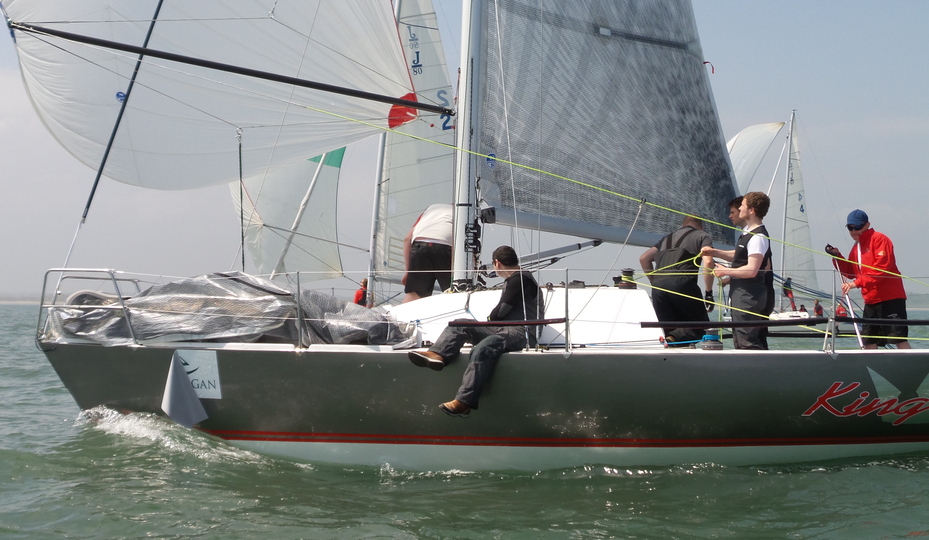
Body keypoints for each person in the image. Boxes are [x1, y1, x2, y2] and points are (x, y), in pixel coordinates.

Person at [408, 246, 542, 418]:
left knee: (484, 346)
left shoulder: (520, 279)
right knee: (460, 324)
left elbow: (500, 312)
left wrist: (488, 322)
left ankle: (464, 402)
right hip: (505, 329)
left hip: (522, 332)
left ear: (497, 263)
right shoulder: (517, 279)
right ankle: (438, 354)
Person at [825, 209, 910, 349]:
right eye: (850, 228)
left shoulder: (880, 239)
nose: (854, 231)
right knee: (869, 341)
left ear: (867, 225)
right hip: (871, 301)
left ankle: (910, 362)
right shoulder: (856, 248)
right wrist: (837, 256)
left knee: (898, 338)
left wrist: (856, 284)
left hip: (891, 299)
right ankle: (873, 362)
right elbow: (850, 272)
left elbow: (881, 269)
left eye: (857, 227)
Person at [702, 191, 773, 349]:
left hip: (749, 296)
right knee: (742, 341)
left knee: (747, 343)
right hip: (743, 294)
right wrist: (714, 252)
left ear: (751, 210)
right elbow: (740, 255)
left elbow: (752, 270)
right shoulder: (749, 234)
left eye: (743, 205)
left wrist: (726, 272)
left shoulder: (758, 237)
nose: (740, 208)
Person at [639, 215, 715, 346]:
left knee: (669, 329)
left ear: (682, 226)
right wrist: (708, 294)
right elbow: (708, 262)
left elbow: (644, 259)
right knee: (701, 328)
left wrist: (655, 282)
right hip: (682, 283)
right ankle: (672, 340)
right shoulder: (702, 236)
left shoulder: (666, 238)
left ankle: (670, 343)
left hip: (658, 286)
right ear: (701, 228)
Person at [402, 203, 453, 303]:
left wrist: (408, 271)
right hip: (445, 247)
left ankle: (402, 314)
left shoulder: (430, 210)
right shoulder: (463, 213)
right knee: (455, 290)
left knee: (415, 294)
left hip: (420, 246)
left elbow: (407, 239)